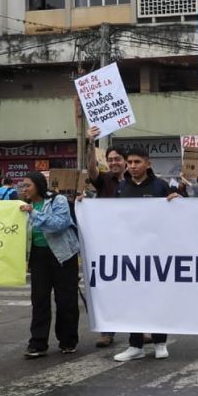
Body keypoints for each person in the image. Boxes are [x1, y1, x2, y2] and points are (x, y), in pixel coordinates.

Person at [113, 148, 179, 362]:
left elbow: (178, 212)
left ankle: (160, 342)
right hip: (130, 252)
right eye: (130, 162)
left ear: (147, 164)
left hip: (157, 252)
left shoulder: (160, 186)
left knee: (158, 296)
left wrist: (178, 200)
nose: (132, 166)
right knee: (133, 298)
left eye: (137, 162)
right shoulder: (122, 187)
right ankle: (135, 345)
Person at [18, 171, 81, 358]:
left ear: (38, 185)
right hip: (38, 256)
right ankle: (38, 343)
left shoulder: (57, 200)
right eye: (22, 186)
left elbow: (59, 224)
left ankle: (68, 341)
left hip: (63, 256)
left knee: (65, 300)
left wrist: (33, 213)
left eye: (28, 185)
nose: (24, 189)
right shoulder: (22, 206)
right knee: (39, 300)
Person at [85, 127, 128, 347]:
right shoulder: (103, 180)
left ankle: (141, 329)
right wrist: (91, 142)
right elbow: (91, 169)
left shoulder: (135, 181)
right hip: (107, 243)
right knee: (107, 288)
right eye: (110, 160)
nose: (113, 163)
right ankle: (107, 331)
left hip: (132, 243)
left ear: (126, 161)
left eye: (117, 159)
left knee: (135, 286)